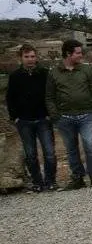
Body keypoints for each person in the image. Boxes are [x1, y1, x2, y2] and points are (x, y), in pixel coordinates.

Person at [46, 39, 92, 190]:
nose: (81, 55)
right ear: (67, 53)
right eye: (78, 53)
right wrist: (55, 115)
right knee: (71, 148)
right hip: (64, 117)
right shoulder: (54, 73)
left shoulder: (87, 70)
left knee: (90, 145)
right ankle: (77, 178)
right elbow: (49, 96)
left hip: (86, 115)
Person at [5, 44, 55, 192]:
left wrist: (50, 114)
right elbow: (10, 98)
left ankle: (50, 181)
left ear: (36, 57)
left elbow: (51, 95)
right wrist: (15, 117)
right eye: (26, 57)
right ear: (21, 58)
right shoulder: (15, 76)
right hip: (24, 121)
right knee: (31, 154)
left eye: (32, 56)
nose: (30, 59)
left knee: (49, 152)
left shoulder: (45, 74)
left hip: (43, 119)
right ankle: (37, 182)